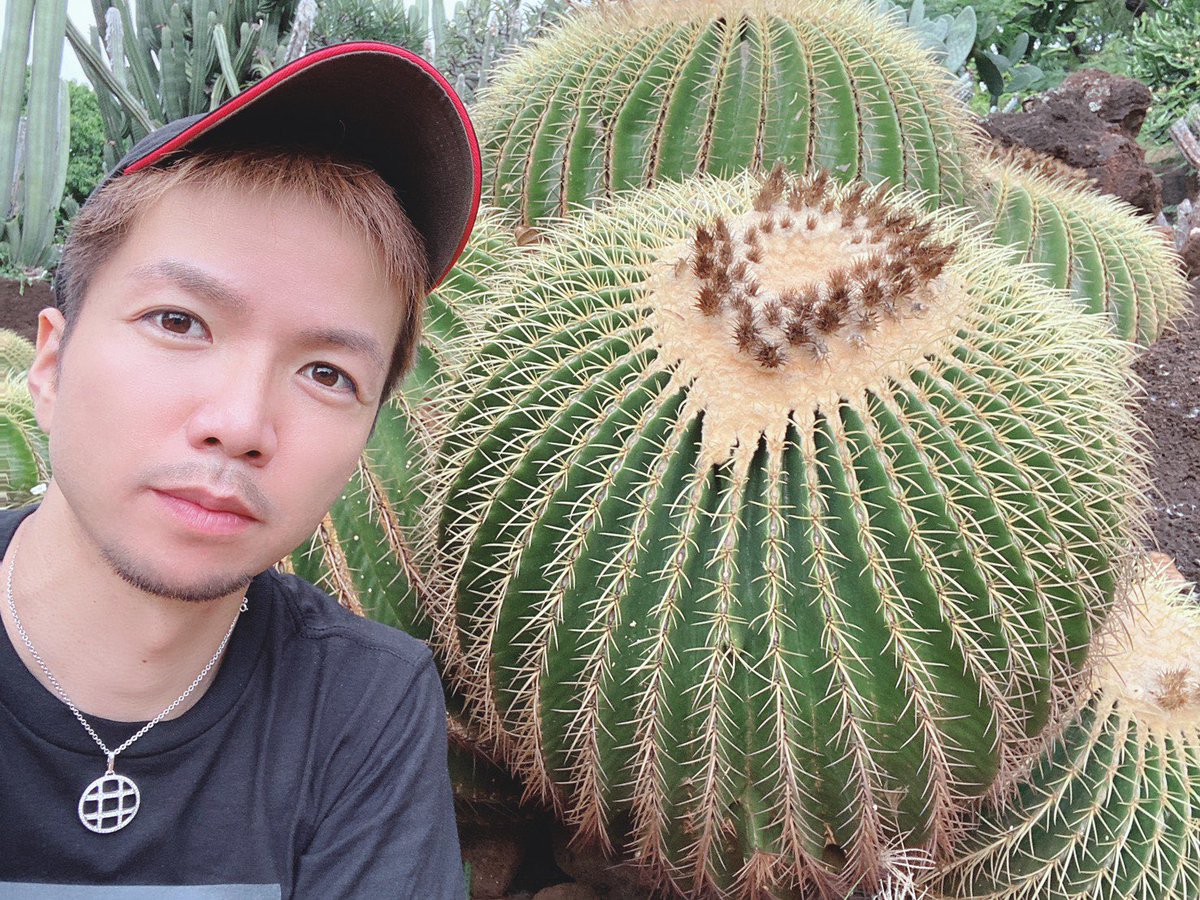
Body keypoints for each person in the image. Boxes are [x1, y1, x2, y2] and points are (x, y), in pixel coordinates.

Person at [0, 42, 480, 897]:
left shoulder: (364, 704)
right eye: (178, 322)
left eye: (327, 373)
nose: (241, 425)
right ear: (51, 365)